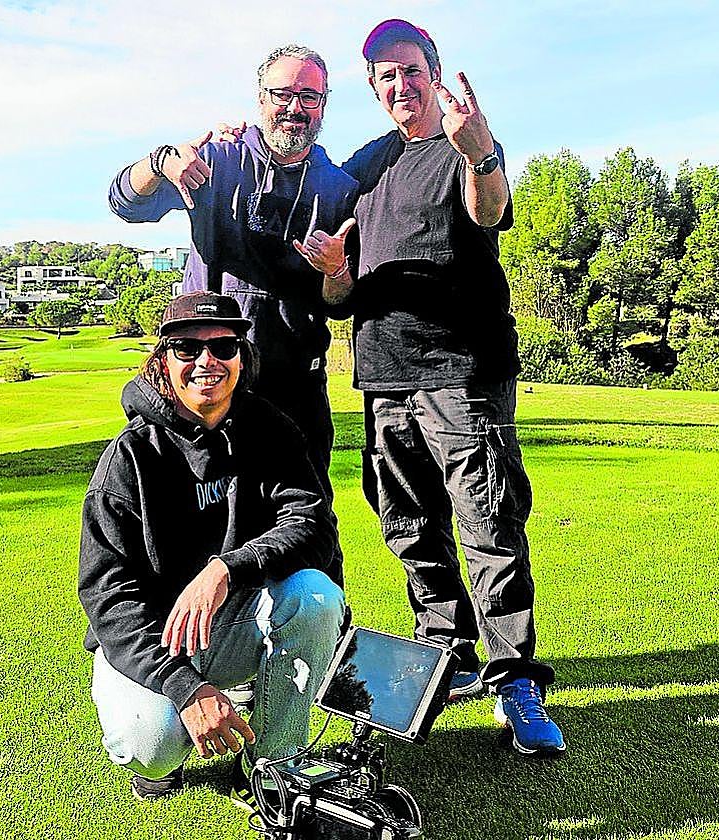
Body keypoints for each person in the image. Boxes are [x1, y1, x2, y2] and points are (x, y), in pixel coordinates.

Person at [296, 19, 565, 756]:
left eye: (411, 70)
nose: (399, 85)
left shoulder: (463, 144)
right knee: (409, 528)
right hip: (382, 377)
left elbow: (488, 209)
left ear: (434, 73)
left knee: (488, 528)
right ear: (373, 88)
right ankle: (447, 653)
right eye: (385, 75)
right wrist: (331, 270)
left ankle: (514, 680)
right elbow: (341, 294)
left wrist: (480, 152)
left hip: (462, 376)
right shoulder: (365, 166)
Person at [77, 291, 346, 805]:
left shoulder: (272, 430)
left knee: (316, 595)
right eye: (186, 348)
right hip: (155, 638)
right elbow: (106, 595)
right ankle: (164, 750)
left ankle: (273, 765)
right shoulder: (129, 458)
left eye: (224, 346)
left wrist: (226, 568)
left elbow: (313, 526)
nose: (207, 362)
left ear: (243, 358)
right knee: (151, 743)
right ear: (162, 361)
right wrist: (183, 687)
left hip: (232, 618)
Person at [107, 44, 358, 590]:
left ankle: (321, 655)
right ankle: (170, 653)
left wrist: (337, 271)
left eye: (309, 96)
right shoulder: (216, 158)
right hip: (203, 372)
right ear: (260, 98)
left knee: (308, 529)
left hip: (293, 383)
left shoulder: (339, 190)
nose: (295, 107)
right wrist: (161, 164)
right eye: (283, 94)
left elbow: (340, 302)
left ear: (324, 104)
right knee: (180, 519)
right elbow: (125, 202)